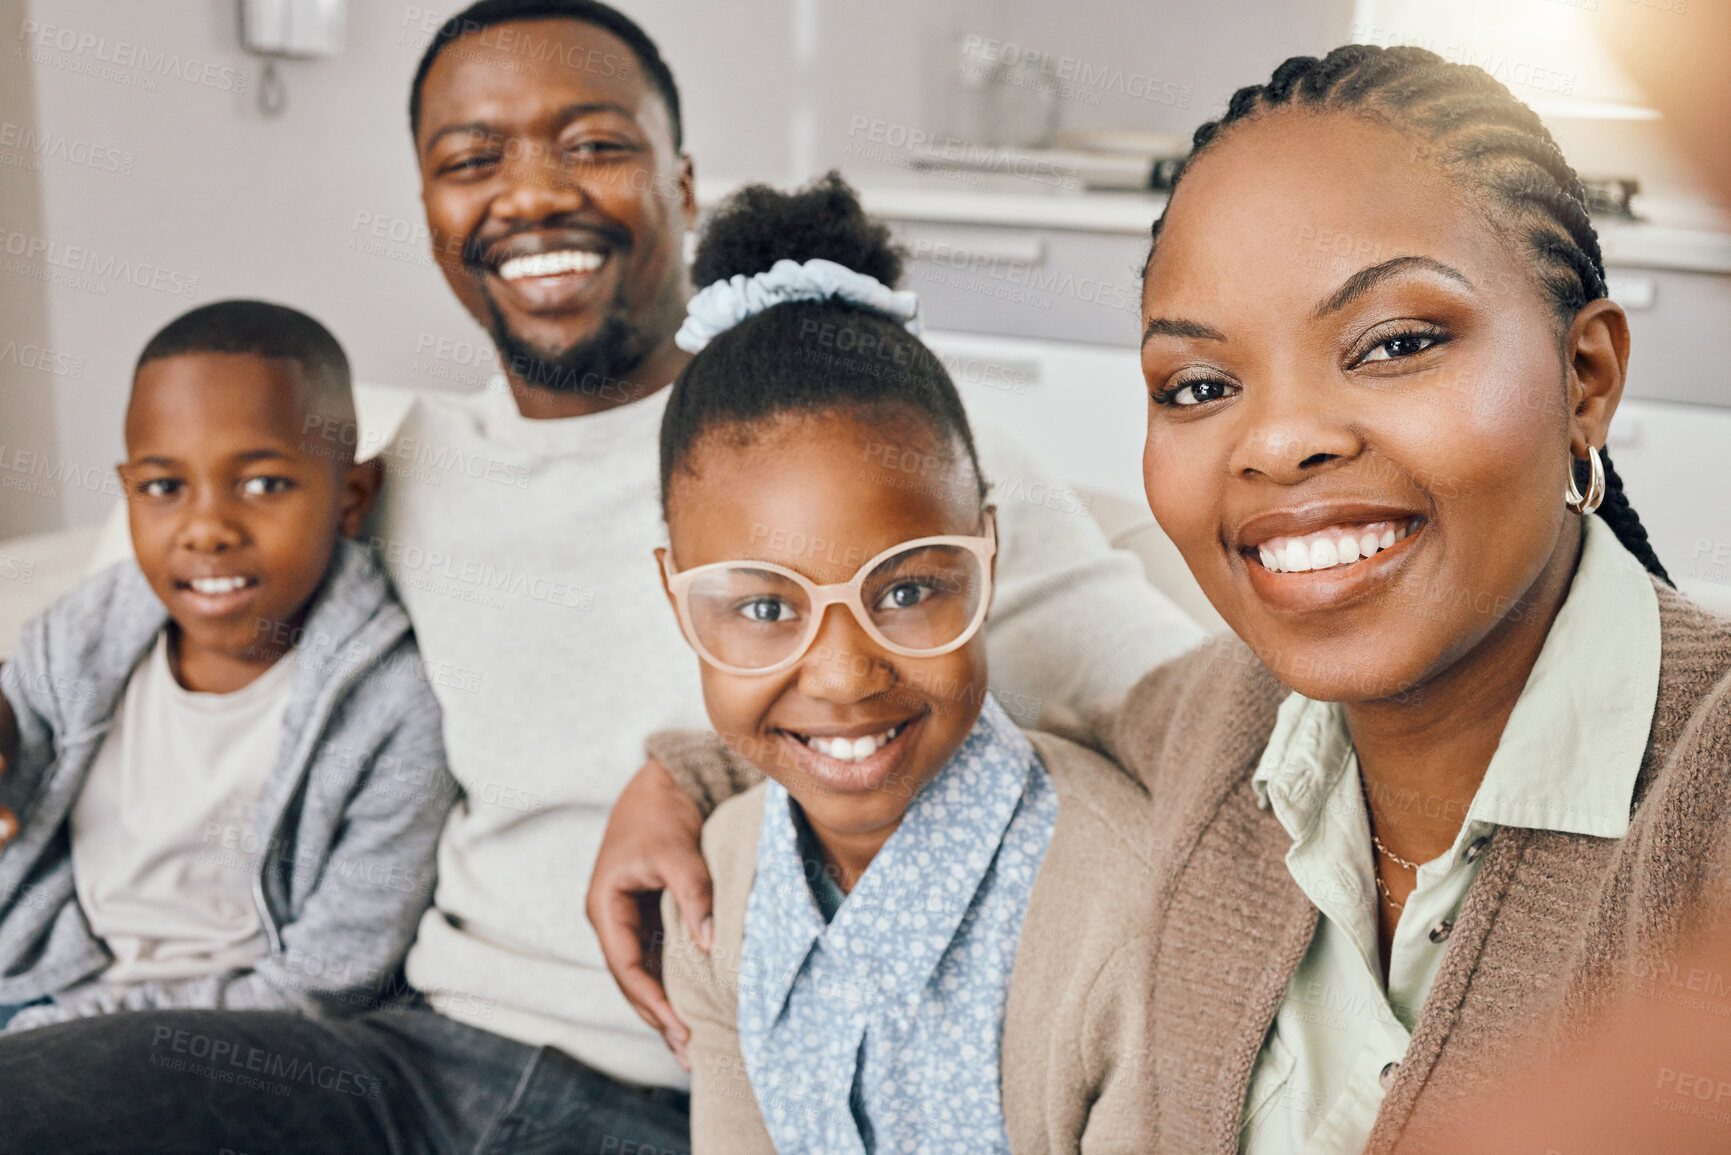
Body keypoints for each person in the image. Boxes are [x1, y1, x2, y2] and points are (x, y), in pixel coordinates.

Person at [0, 2, 1200, 1150]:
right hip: (401, 1058)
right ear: (429, 210)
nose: (530, 194)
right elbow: (160, 617)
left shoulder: (874, 447)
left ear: (682, 185)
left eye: (594, 144)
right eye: (472, 159)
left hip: (697, 1086)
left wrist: (691, 772)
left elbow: (1188, 724)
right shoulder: (399, 472)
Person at [599, 44, 1731, 1155]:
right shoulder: (1217, 733)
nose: (1281, 440)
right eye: (1200, 384)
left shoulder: (1705, 805)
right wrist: (683, 775)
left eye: (1392, 344)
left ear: (1586, 378)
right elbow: (933, 699)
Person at [649, 176, 1161, 1153]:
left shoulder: (1126, 923)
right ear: (677, 597)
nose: (844, 676)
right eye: (764, 607)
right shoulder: (720, 882)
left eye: (908, 590)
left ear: (989, 554)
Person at [0, 300, 453, 1033]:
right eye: (163, 487)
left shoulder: (392, 709)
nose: (206, 529)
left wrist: (68, 1029)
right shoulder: (84, 636)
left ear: (351, 495)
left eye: (264, 483)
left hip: (230, 1039)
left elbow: (326, 983)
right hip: (42, 985)